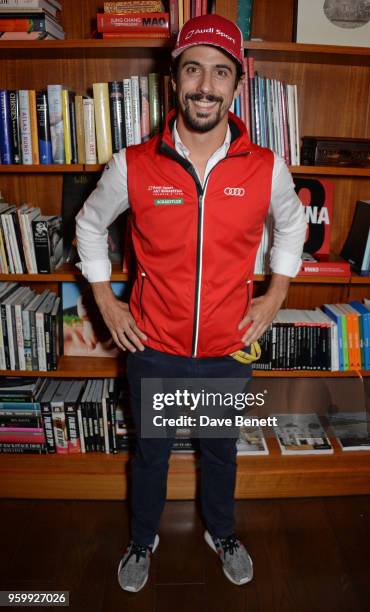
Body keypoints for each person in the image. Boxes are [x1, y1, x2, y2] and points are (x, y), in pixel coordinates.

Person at [75, 14, 307, 593]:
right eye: (194, 70)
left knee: (219, 450)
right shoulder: (135, 164)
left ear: (236, 84)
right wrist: (106, 301)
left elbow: (293, 223)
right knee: (151, 454)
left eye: (220, 73)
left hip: (228, 344)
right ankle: (141, 539)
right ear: (173, 81)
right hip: (154, 344)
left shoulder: (264, 167)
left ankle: (221, 532)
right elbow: (88, 225)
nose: (206, 85)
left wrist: (275, 293)